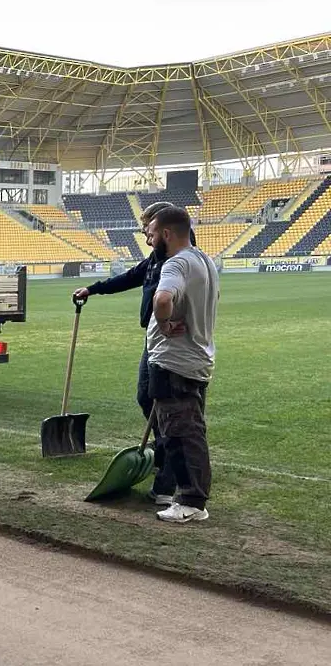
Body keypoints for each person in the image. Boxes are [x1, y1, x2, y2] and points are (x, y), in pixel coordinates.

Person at [72, 201, 192, 504]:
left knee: (165, 407)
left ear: (164, 228)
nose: (145, 233)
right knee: (146, 397)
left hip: (171, 341)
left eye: (148, 227)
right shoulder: (154, 259)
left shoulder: (179, 259)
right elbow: (127, 278)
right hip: (152, 338)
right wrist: (93, 289)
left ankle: (168, 478)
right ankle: (164, 449)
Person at [145, 205, 218, 523]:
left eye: (150, 233)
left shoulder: (176, 264)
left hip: (174, 362)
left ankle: (191, 502)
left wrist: (162, 323)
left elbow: (162, 300)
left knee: (180, 432)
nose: (148, 239)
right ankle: (191, 497)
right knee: (189, 429)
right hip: (195, 358)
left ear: (165, 234)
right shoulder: (204, 260)